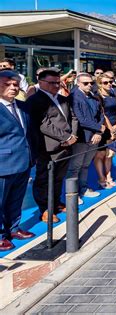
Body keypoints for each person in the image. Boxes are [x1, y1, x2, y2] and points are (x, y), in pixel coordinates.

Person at [27, 68, 78, 223]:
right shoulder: (35, 100)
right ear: (40, 82)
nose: (56, 86)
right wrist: (67, 136)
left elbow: (73, 118)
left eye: (58, 82)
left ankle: (55, 203)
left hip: (67, 145)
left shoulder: (63, 99)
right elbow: (44, 124)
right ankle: (45, 209)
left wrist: (73, 136)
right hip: (48, 148)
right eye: (52, 83)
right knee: (44, 179)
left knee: (58, 177)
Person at [0, 70, 36, 251]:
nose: (13, 87)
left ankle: (13, 229)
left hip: (23, 161)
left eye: (15, 84)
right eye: (7, 84)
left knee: (16, 199)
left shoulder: (22, 107)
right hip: (3, 164)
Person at [67, 73, 105, 203]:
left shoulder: (94, 97)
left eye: (91, 83)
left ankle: (83, 188)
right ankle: (73, 193)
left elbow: (100, 116)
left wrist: (98, 133)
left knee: (85, 165)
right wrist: (98, 129)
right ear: (78, 83)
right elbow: (80, 120)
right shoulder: (73, 97)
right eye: (85, 83)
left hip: (94, 137)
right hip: (82, 138)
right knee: (75, 166)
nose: (89, 85)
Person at [93, 74, 116, 189]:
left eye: (110, 82)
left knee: (110, 154)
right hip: (104, 128)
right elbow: (102, 114)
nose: (109, 84)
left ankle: (109, 176)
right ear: (100, 84)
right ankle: (101, 178)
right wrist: (110, 128)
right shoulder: (98, 96)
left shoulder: (114, 93)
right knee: (100, 154)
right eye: (105, 82)